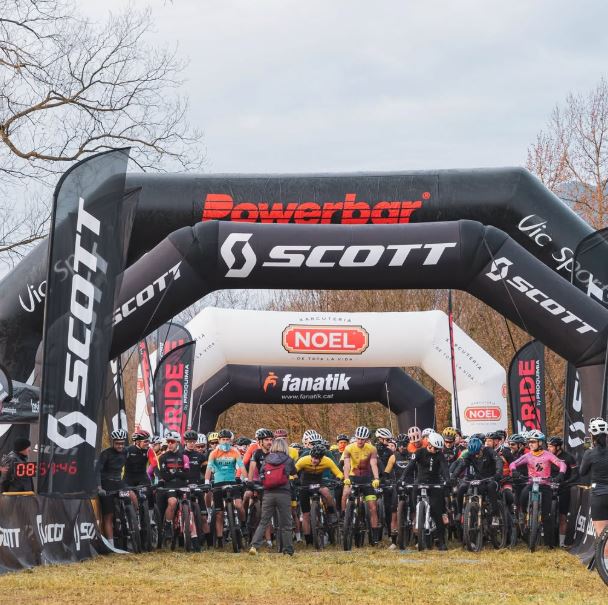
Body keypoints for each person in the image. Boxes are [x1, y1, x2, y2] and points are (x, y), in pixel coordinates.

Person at [509, 430, 566, 548]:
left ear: (540, 443)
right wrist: (514, 471)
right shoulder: (527, 456)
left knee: (546, 515)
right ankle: (525, 517)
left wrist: (560, 474)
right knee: (523, 497)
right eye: (529, 442)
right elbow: (512, 464)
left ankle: (550, 544)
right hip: (531, 483)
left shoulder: (548, 455)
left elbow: (562, 464)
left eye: (533, 442)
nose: (530, 444)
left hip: (545, 485)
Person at [400, 431, 450, 550]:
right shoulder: (419, 452)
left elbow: (444, 468)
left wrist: (447, 480)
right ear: (429, 444)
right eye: (435, 448)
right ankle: (416, 527)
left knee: (437, 511)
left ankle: (441, 542)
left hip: (434, 483)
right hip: (420, 482)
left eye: (438, 449)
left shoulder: (440, 455)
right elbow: (410, 465)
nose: (436, 450)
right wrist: (402, 478)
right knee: (413, 500)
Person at [249, 438, 297, 556]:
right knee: (286, 523)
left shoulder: (267, 459)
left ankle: (254, 546)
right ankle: (288, 550)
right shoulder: (288, 459)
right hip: (283, 493)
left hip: (268, 493)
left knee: (264, 521)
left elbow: (261, 473)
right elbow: (294, 473)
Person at [205, 428, 246, 548]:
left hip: (232, 482)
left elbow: (241, 466)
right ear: (219, 440)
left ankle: (243, 524)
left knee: (239, 505)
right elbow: (209, 468)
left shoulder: (235, 452)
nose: (225, 442)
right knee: (219, 513)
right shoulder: (214, 453)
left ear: (230, 441)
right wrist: (207, 482)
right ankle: (219, 538)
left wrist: (246, 479)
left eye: (227, 439)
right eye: (223, 439)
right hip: (218, 483)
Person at [295, 443, 343, 545]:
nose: (314, 460)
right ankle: (308, 541)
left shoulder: (327, 461)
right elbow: (293, 472)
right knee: (306, 514)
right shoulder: (304, 460)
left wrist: (338, 479)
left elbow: (339, 473)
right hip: (305, 483)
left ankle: (331, 513)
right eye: (313, 457)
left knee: (326, 492)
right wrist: (294, 479)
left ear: (322, 457)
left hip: (319, 482)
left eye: (317, 458)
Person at [342, 426, 382, 544]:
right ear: (356, 437)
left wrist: (376, 478)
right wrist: (346, 478)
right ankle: (346, 519)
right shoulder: (348, 448)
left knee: (373, 507)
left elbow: (373, 464)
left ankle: (374, 535)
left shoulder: (372, 449)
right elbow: (347, 465)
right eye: (358, 438)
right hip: (353, 477)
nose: (360, 441)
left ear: (367, 439)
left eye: (363, 439)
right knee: (346, 493)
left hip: (367, 479)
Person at [149, 431, 191, 542]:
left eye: (172, 442)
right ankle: (167, 525)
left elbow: (187, 474)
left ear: (178, 443)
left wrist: (173, 473)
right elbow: (165, 476)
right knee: (172, 502)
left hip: (182, 485)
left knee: (191, 504)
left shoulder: (184, 457)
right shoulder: (163, 457)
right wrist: (178, 473)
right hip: (169, 486)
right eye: (168, 442)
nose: (170, 444)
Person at [95, 429, 134, 545]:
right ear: (113, 442)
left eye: (122, 443)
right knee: (109, 515)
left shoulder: (126, 452)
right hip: (106, 484)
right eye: (117, 443)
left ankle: (134, 520)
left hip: (119, 483)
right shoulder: (105, 453)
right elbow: (97, 471)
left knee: (132, 496)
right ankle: (111, 544)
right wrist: (99, 487)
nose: (120, 446)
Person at [451, 436, 502, 521]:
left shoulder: (489, 451)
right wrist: (454, 476)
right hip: (479, 479)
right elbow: (462, 465)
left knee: (491, 487)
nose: (476, 455)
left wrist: (498, 473)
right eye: (474, 454)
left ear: (481, 448)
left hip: (492, 478)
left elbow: (498, 461)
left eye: (477, 453)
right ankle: (460, 512)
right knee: (462, 488)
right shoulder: (471, 454)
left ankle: (495, 515)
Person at [547, 435, 580, 547]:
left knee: (563, 516)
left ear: (558, 447)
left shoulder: (568, 457)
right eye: (548, 446)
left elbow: (576, 474)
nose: (548, 448)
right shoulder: (546, 456)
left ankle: (561, 543)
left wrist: (566, 482)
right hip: (549, 486)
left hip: (563, 487)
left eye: (551, 446)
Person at [579, 418, 608, 542]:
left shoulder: (590, 453)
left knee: (602, 536)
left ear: (592, 436)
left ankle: (603, 555)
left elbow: (582, 472)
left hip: (599, 494)